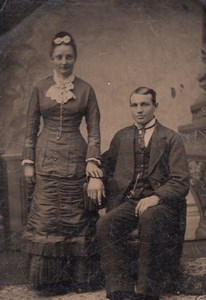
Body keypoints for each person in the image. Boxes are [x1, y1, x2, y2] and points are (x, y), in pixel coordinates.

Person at [21, 31, 103, 293]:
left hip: (76, 158)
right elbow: (31, 125)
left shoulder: (85, 89)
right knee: (46, 218)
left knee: (75, 218)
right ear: (51, 59)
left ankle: (79, 280)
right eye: (59, 57)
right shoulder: (39, 87)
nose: (64, 62)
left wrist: (92, 161)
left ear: (75, 58)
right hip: (44, 158)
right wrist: (28, 161)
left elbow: (94, 130)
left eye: (69, 57)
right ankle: (48, 283)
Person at [89, 87, 190, 300]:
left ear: (155, 106)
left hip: (162, 204)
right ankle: (120, 290)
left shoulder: (171, 138)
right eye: (134, 105)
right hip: (130, 201)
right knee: (105, 224)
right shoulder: (122, 136)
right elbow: (106, 164)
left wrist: (156, 197)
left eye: (144, 104)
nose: (139, 110)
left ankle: (147, 292)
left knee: (149, 217)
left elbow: (181, 182)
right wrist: (95, 176)